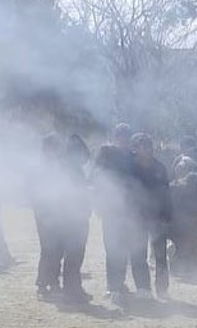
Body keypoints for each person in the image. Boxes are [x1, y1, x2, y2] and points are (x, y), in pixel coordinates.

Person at [34, 134, 92, 303]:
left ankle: (71, 287)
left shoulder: (75, 169)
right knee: (52, 251)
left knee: (74, 254)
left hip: (75, 217)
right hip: (60, 217)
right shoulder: (62, 168)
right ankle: (45, 285)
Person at [94, 123, 147, 300]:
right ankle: (114, 286)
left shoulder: (135, 158)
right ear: (115, 138)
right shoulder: (106, 154)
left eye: (126, 137)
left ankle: (139, 287)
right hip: (112, 210)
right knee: (114, 250)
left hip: (133, 211)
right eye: (120, 137)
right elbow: (98, 180)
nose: (123, 141)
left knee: (135, 248)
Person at [131, 133, 172, 299]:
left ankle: (162, 288)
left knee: (160, 255)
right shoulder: (131, 168)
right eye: (143, 147)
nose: (147, 150)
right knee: (138, 253)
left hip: (157, 217)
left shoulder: (160, 168)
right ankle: (143, 288)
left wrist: (168, 216)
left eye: (149, 147)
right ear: (136, 149)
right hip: (137, 217)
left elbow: (166, 194)